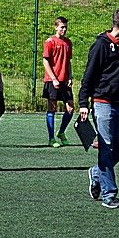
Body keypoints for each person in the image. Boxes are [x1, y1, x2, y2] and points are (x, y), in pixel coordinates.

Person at [79, 8, 119, 209]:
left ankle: (96, 173)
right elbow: (89, 75)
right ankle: (109, 194)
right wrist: (83, 103)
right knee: (107, 148)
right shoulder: (101, 44)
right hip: (103, 103)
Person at [42, 16, 74, 148]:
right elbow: (45, 61)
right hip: (52, 80)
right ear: (56, 27)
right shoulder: (50, 42)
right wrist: (54, 79)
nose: (64, 30)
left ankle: (61, 132)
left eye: (65, 27)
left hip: (65, 80)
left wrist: (70, 77)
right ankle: (51, 138)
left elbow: (68, 62)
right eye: (62, 27)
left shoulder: (68, 42)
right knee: (52, 108)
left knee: (70, 108)